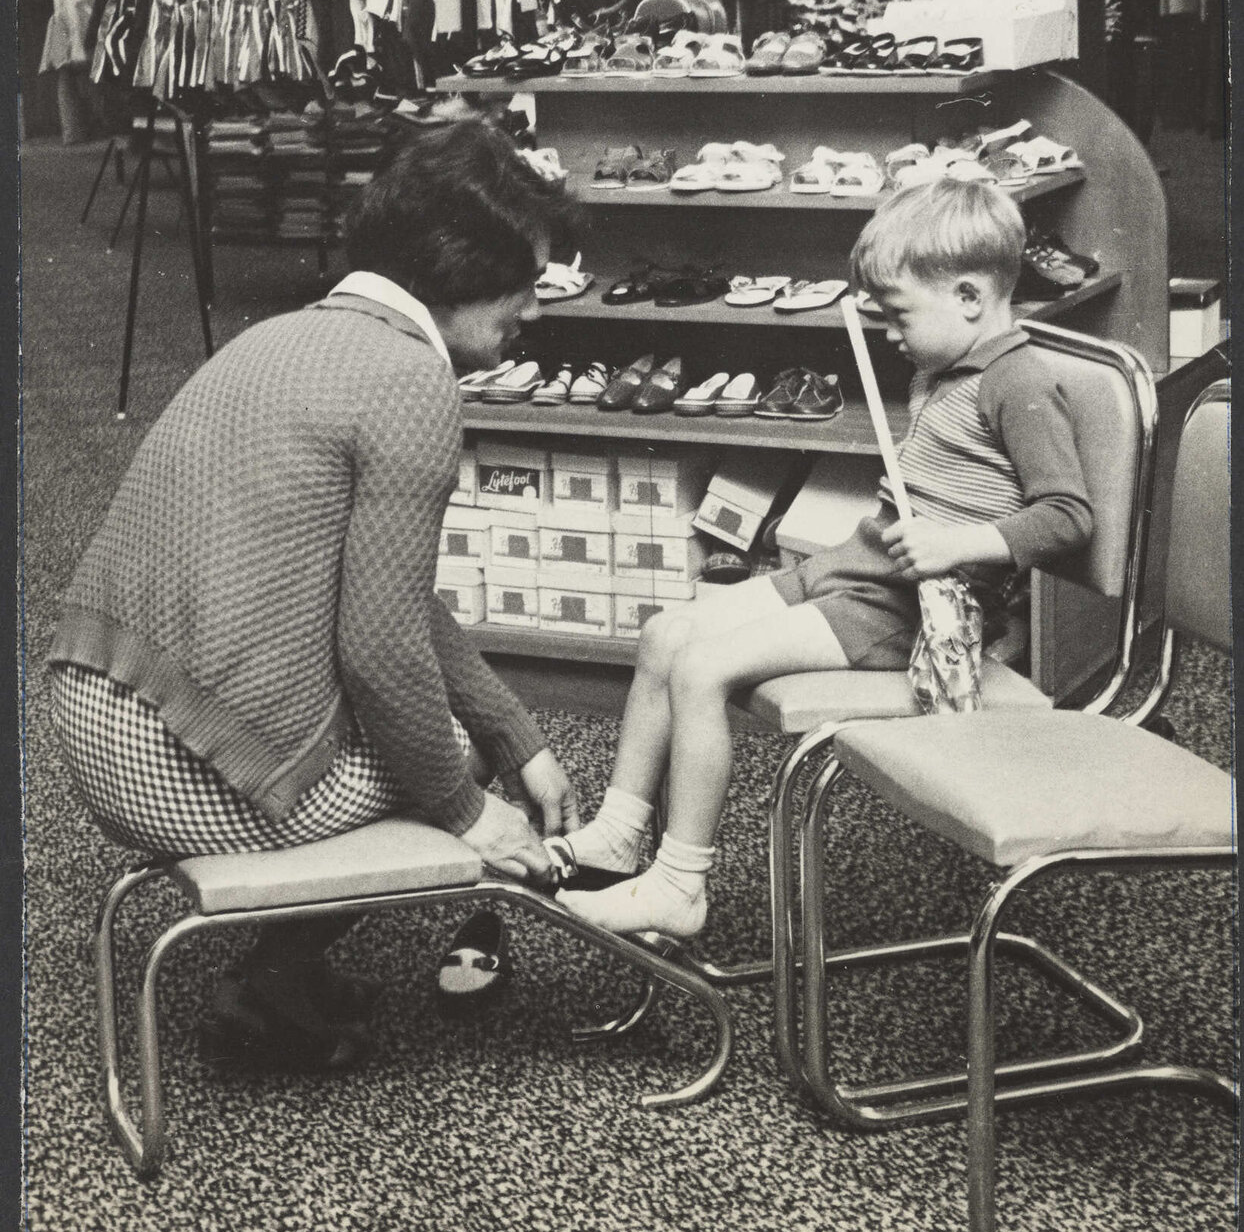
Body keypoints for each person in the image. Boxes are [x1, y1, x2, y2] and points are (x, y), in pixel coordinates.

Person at [48, 114, 580, 1066]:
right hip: (177, 761)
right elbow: (382, 653)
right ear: (459, 265)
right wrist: (472, 808)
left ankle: (284, 976)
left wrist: (519, 730)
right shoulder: (412, 378)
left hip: (98, 708)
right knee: (436, 751)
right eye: (528, 279)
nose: (536, 307)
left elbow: (391, 598)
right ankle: (268, 998)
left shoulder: (295, 334)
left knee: (450, 733)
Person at [556, 178, 1093, 940]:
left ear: (971, 297)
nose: (891, 333)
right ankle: (616, 834)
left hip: (904, 613)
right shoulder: (944, 367)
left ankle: (680, 884)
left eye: (900, 313)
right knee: (664, 634)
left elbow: (1068, 518)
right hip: (855, 568)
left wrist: (960, 541)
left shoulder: (1020, 383)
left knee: (702, 669)